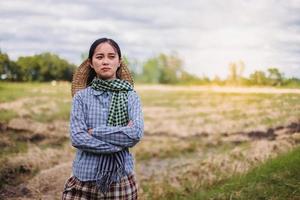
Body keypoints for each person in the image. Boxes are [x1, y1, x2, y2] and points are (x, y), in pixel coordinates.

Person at [62, 38, 144, 199]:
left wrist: (95, 132)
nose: (105, 61)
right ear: (91, 63)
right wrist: (117, 144)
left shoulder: (131, 96)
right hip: (84, 178)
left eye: (111, 56)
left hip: (120, 179)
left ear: (119, 62)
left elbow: (135, 133)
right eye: (99, 57)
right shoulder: (81, 98)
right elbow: (78, 138)